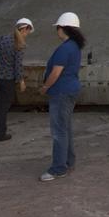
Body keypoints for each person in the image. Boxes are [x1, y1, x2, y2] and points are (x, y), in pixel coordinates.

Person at [40, 13, 83, 181]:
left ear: (62, 28)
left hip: (61, 92)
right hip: (70, 89)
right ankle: (68, 161)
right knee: (65, 128)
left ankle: (58, 168)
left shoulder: (65, 48)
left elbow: (55, 72)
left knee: (59, 131)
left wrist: (45, 87)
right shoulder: (74, 46)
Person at [0, 18, 33, 143]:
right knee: (3, 107)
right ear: (24, 29)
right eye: (28, 31)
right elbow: (17, 65)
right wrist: (21, 81)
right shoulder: (19, 44)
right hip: (8, 80)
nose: (27, 34)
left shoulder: (3, 39)